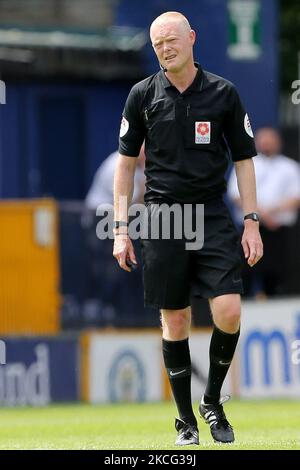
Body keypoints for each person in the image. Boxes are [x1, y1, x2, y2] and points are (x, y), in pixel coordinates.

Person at [113, 11, 263, 445]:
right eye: (158, 43)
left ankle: (213, 401)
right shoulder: (142, 95)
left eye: (172, 40)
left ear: (192, 38)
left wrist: (251, 222)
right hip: (162, 216)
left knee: (229, 311)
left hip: (212, 214)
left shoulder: (223, 93)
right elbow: (125, 167)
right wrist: (120, 228)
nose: (165, 48)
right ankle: (185, 422)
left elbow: (244, 161)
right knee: (175, 320)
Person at [228, 127, 300, 297]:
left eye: (271, 139)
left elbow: (296, 196)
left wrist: (270, 213)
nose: (267, 143)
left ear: (278, 142)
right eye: (263, 139)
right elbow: (235, 195)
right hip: (249, 230)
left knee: (278, 278)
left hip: (279, 232)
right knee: (245, 273)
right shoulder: (247, 164)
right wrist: (259, 215)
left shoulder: (289, 166)